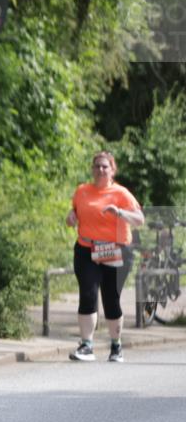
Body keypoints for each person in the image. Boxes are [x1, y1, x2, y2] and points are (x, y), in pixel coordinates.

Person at [65, 150, 144, 362]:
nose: (100, 170)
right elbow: (73, 213)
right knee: (88, 294)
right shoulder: (82, 191)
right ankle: (86, 345)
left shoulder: (121, 193)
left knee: (111, 298)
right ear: (92, 169)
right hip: (86, 249)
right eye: (97, 166)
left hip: (116, 249)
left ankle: (116, 346)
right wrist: (71, 217)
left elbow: (139, 219)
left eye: (105, 166)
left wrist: (119, 212)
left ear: (112, 170)